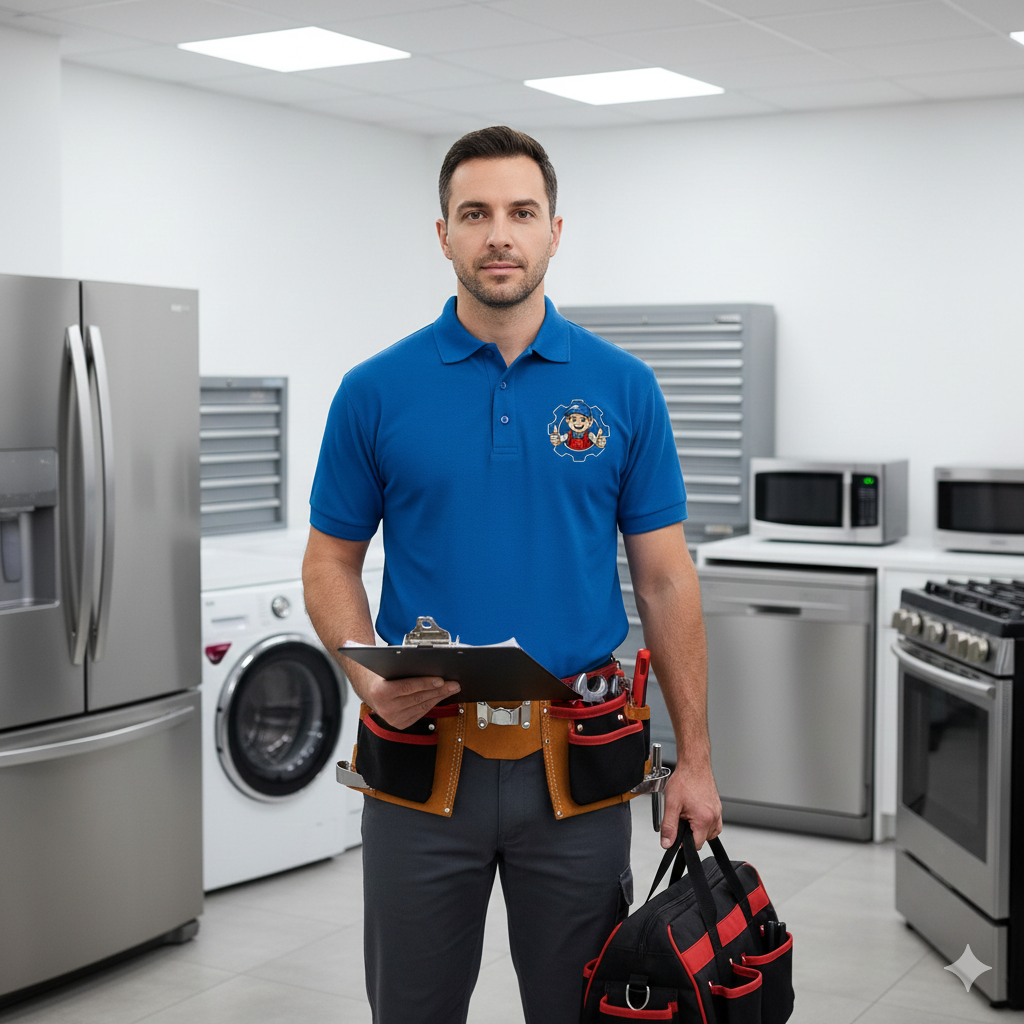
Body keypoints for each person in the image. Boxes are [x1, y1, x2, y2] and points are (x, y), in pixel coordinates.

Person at [302, 125, 722, 1024]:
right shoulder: (373, 390)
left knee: (582, 1014)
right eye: (476, 213)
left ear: (555, 231)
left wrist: (694, 759)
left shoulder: (624, 388)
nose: (500, 233)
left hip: (579, 767)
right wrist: (365, 677)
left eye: (521, 212)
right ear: (444, 233)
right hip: (420, 768)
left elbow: (665, 582)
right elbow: (330, 560)